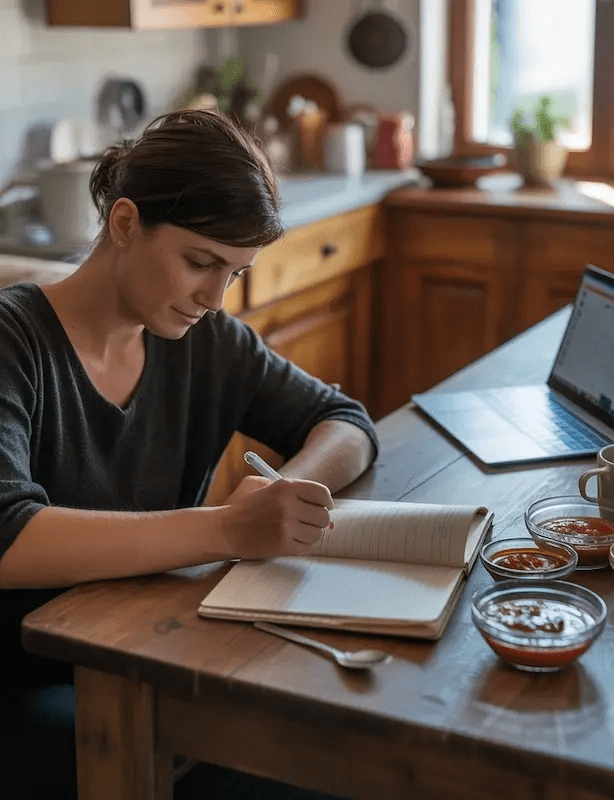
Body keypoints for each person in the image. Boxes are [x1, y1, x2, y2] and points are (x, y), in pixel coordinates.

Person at [0, 109, 377, 799]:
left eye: (234, 273)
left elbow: (343, 421)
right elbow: (8, 538)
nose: (213, 297)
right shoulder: (14, 343)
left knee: (345, 738)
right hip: (34, 684)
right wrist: (226, 529)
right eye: (200, 262)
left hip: (158, 648)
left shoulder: (206, 343)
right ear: (123, 224)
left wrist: (283, 493)